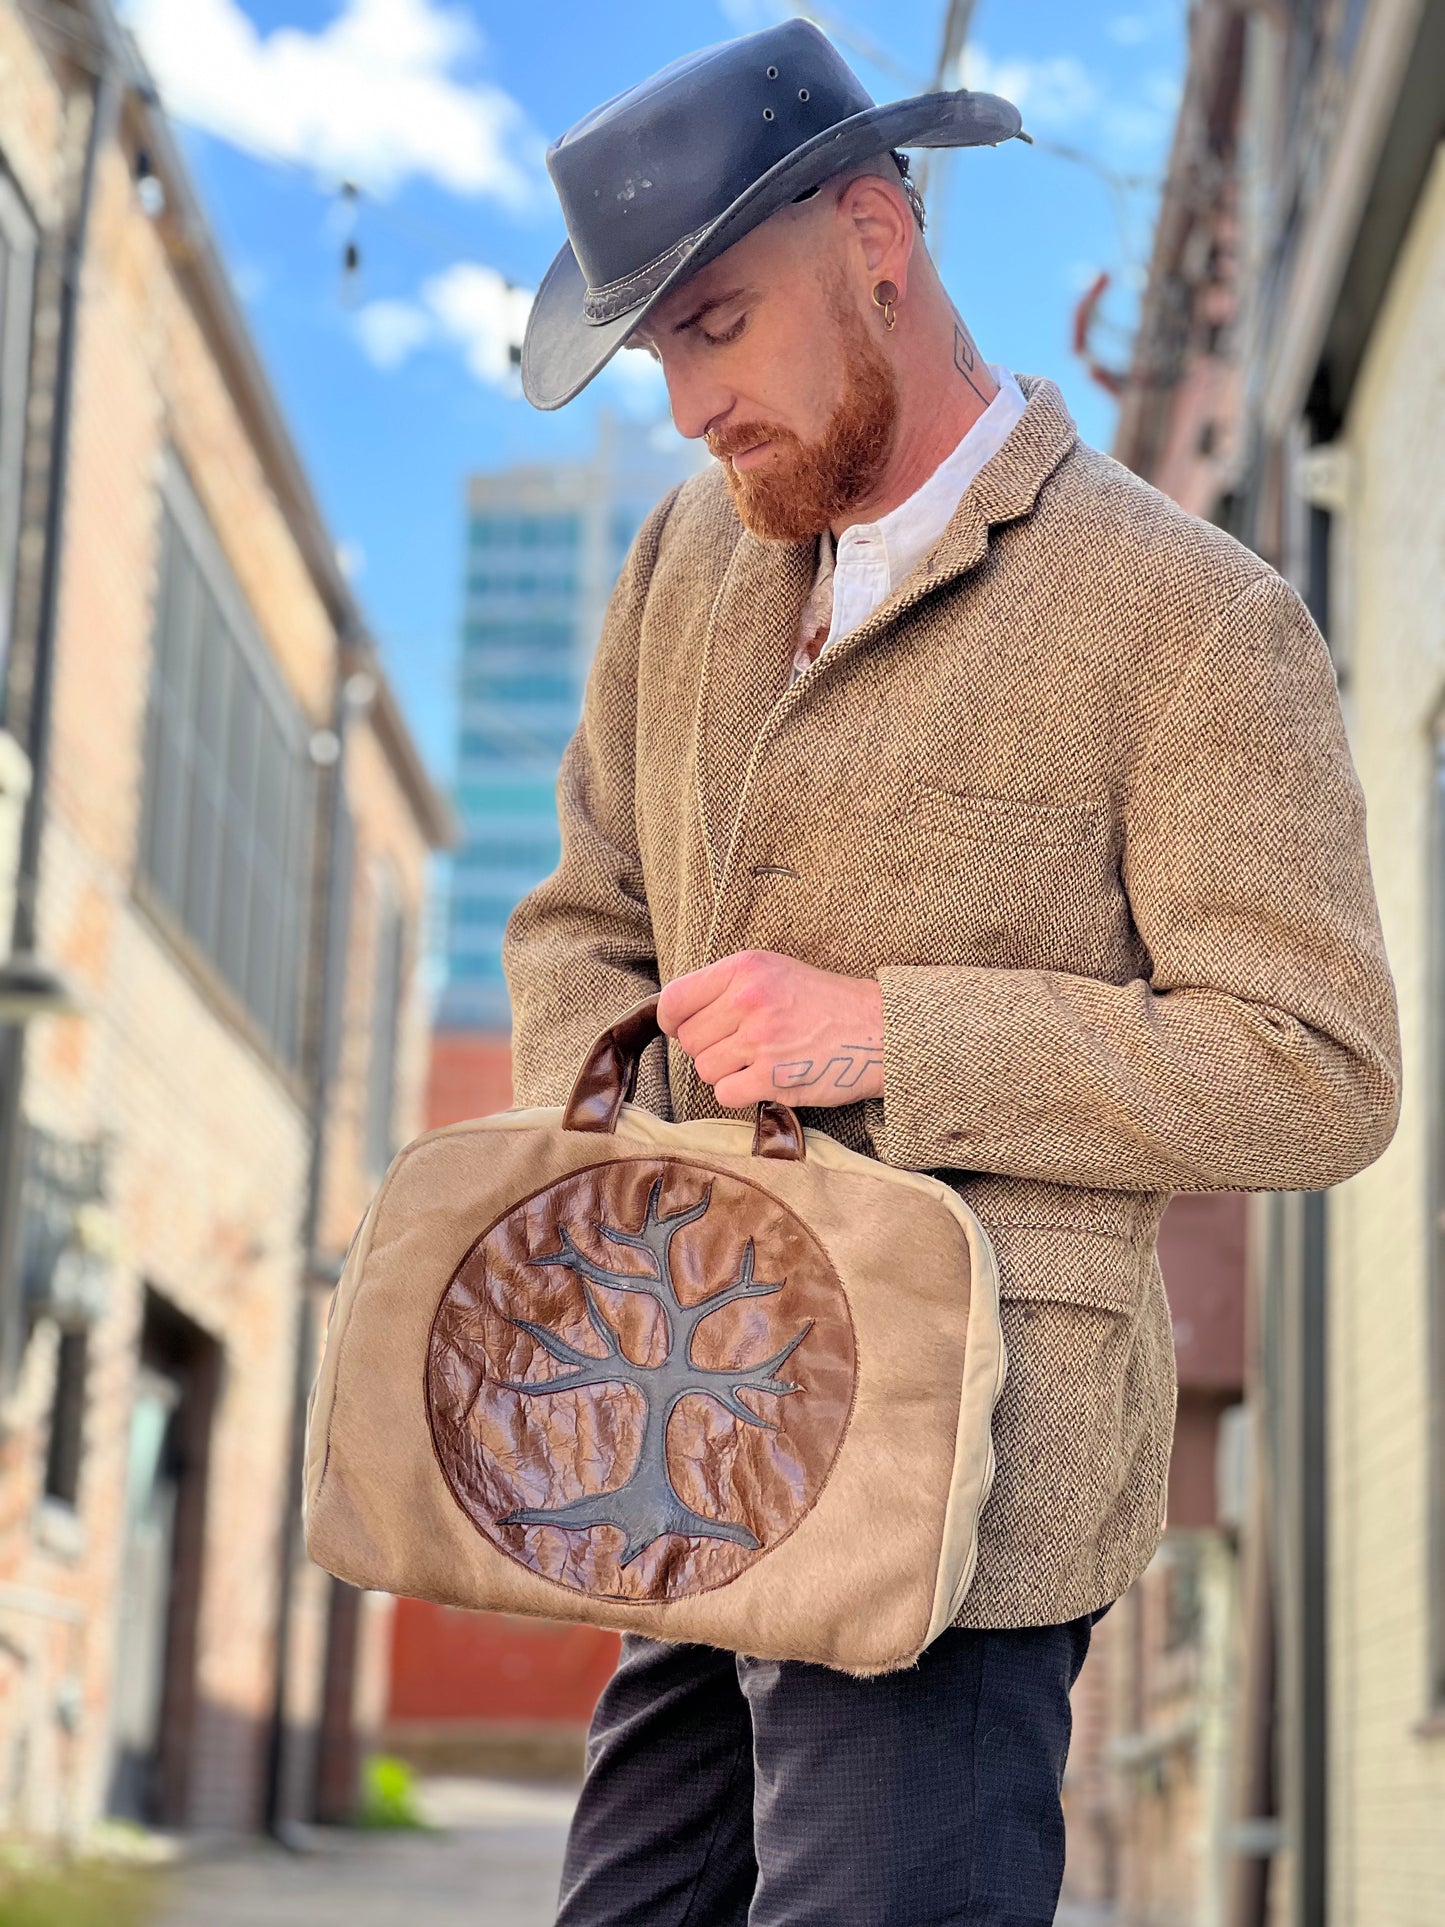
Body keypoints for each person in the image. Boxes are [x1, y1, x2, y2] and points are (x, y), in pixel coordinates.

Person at [501, 20, 1401, 1926]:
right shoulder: (679, 562)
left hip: (963, 1494)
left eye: (716, 326)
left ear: (873, 237)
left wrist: (885, 1032)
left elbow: (1316, 1067)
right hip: (686, 1429)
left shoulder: (1189, 620)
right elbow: (580, 914)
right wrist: (617, 1138)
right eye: (658, 350)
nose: (683, 407)